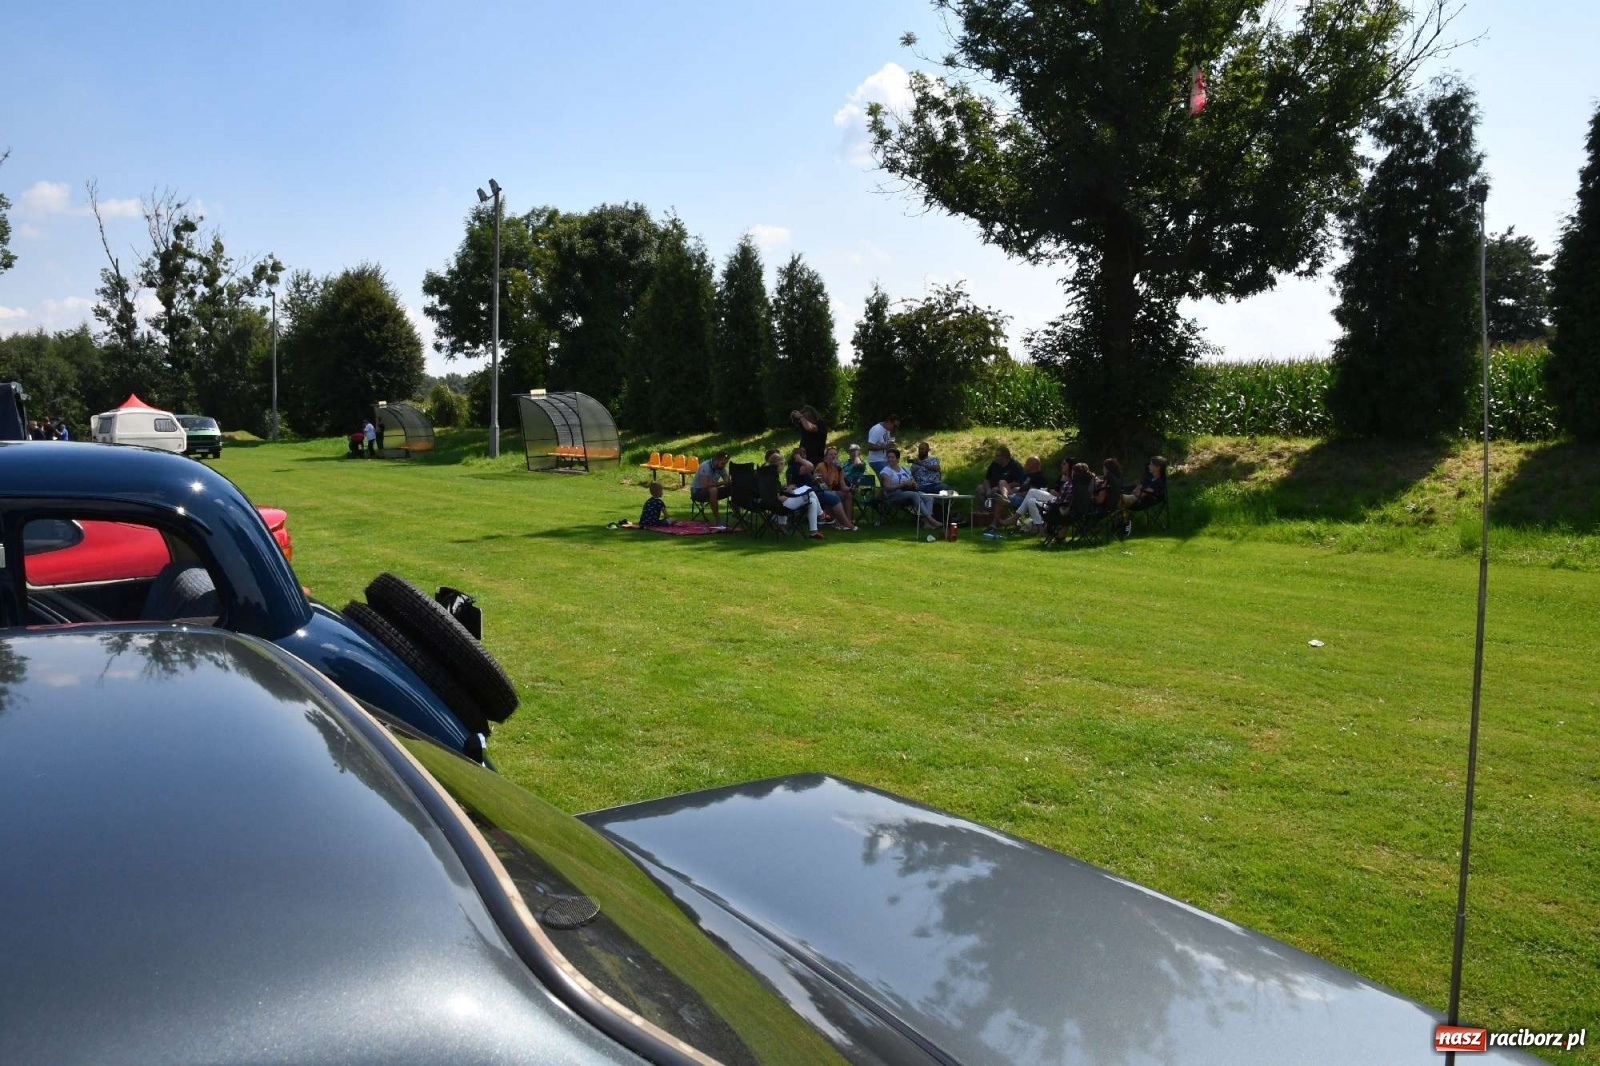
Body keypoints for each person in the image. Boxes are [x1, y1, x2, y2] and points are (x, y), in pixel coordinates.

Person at [767, 448, 824, 538]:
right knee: (809, 492)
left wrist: (786, 490)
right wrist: (787, 494)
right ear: (778, 464)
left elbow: (775, 493)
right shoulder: (774, 478)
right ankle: (821, 515)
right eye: (782, 464)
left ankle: (814, 531)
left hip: (774, 505)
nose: (783, 466)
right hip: (781, 506)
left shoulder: (768, 476)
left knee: (812, 500)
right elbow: (779, 498)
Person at [877, 448, 939, 529]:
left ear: (898, 459)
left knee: (928, 497)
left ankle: (926, 523)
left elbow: (913, 480)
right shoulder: (886, 471)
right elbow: (887, 488)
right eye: (888, 457)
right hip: (893, 496)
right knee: (914, 495)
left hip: (908, 492)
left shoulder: (905, 469)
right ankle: (930, 519)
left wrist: (913, 484)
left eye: (892, 457)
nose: (890, 459)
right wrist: (902, 485)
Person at [976, 445, 1026, 526]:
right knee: (980, 489)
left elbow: (1018, 483)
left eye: (997, 456)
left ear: (1004, 457)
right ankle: (985, 514)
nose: (995, 457)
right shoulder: (994, 465)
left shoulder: (1015, 466)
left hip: (1007, 490)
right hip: (992, 489)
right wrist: (988, 489)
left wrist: (999, 487)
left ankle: (999, 517)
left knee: (1001, 490)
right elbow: (986, 479)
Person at [813, 445, 858, 528]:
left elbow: (843, 485)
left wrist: (851, 488)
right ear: (826, 457)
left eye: (835, 454)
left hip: (834, 490)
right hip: (821, 491)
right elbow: (828, 483)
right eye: (830, 454)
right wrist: (834, 468)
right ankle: (838, 521)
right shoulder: (821, 466)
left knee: (848, 494)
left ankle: (847, 521)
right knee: (833, 493)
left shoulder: (839, 468)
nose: (833, 456)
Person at [690, 451, 731, 525]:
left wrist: (728, 481)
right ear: (717, 460)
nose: (724, 465)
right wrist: (722, 483)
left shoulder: (721, 467)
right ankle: (718, 520)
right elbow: (705, 485)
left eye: (725, 463)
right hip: (697, 492)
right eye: (723, 463)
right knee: (713, 490)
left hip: (710, 490)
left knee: (732, 489)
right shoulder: (705, 466)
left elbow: (726, 478)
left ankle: (739, 517)